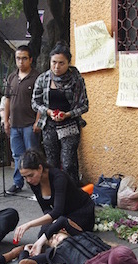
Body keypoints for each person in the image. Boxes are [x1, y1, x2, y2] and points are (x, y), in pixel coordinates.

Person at [32, 41, 89, 186]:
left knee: (69, 162)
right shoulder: (43, 79)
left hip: (69, 124)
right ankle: (56, 193)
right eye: (54, 62)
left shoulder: (76, 79)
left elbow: (84, 105)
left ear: (68, 63)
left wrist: (68, 114)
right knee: (52, 162)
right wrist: (49, 112)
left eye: (61, 63)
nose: (57, 67)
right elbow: (35, 102)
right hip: (49, 124)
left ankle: (74, 193)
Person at [12, 149, 95, 246]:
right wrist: (52, 222)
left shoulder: (59, 178)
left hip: (80, 212)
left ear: (40, 168)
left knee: (58, 238)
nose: (28, 180)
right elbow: (46, 209)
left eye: (30, 175)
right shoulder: (34, 182)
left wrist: (29, 224)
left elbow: (57, 211)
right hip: (62, 215)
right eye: (24, 177)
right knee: (43, 235)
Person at [4, 44, 42, 194]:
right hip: (15, 125)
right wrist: (6, 120)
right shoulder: (12, 77)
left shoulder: (37, 77)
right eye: (18, 58)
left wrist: (38, 121)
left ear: (31, 59)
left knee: (32, 155)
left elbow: (41, 103)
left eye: (24, 58)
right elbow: (7, 100)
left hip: (30, 124)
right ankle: (17, 183)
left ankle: (36, 183)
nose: (21, 62)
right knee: (17, 155)